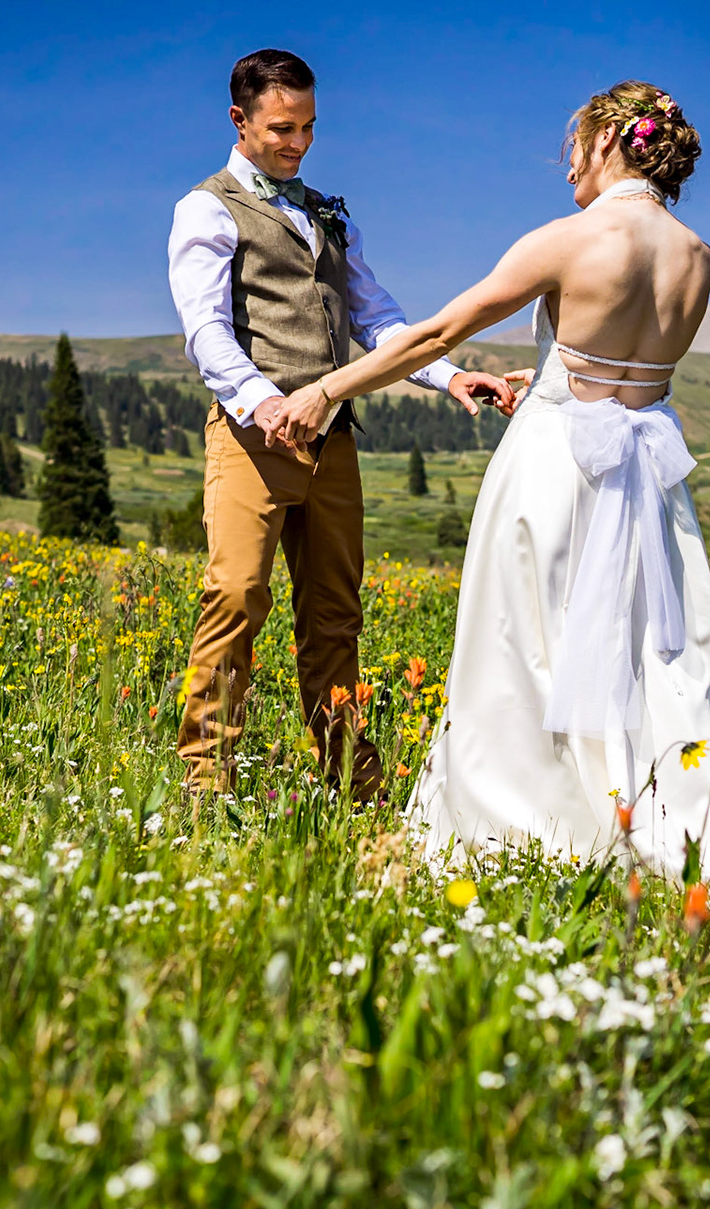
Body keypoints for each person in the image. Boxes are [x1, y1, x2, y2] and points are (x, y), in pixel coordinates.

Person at [278, 81, 710, 884]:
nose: (568, 174)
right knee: (645, 650)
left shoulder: (569, 239)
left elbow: (437, 333)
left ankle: (531, 821)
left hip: (557, 468)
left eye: (574, 152)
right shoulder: (700, 259)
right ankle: (653, 805)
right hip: (649, 479)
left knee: (524, 641)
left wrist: (328, 389)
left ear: (610, 142)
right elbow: (627, 375)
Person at [166, 48, 514, 799]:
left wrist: (451, 376)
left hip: (335, 442)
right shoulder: (206, 207)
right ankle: (205, 784)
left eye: (310, 128)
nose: (298, 143)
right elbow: (205, 331)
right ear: (241, 121)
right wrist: (263, 402)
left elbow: (378, 318)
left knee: (335, 616)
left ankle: (352, 786)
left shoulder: (329, 212)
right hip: (252, 441)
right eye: (282, 128)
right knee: (235, 596)